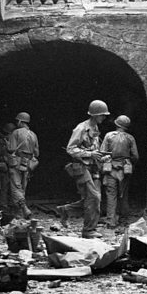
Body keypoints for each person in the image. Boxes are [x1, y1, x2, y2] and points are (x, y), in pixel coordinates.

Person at [57, 99, 109, 239]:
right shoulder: (81, 128)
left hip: (93, 168)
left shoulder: (95, 128)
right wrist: (90, 154)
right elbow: (71, 149)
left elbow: (94, 149)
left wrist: (100, 157)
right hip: (81, 167)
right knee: (94, 197)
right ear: (94, 115)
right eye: (102, 115)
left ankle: (65, 210)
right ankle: (88, 230)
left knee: (91, 199)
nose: (104, 117)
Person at [100, 115, 139, 227]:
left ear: (116, 124)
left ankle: (111, 222)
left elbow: (102, 152)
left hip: (110, 169)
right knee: (123, 195)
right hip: (125, 170)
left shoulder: (108, 136)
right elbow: (135, 156)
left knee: (111, 195)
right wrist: (129, 162)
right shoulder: (130, 138)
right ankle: (123, 221)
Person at [6, 112, 39, 219]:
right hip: (28, 163)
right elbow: (37, 153)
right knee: (23, 188)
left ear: (20, 121)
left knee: (16, 187)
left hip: (17, 162)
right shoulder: (33, 135)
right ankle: (18, 214)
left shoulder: (16, 132)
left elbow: (11, 149)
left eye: (17, 121)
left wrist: (7, 143)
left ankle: (24, 208)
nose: (16, 123)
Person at [0, 122, 16, 212]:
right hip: (14, 166)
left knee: (3, 187)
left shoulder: (3, 140)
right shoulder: (16, 140)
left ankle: (3, 206)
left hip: (5, 165)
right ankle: (12, 206)